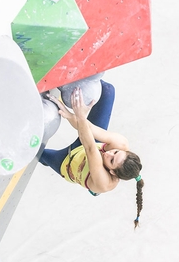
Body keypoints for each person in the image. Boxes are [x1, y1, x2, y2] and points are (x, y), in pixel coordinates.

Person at [40, 80, 144, 228]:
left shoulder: (104, 182)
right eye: (115, 152)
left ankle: (44, 160)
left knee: (39, 154)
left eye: (112, 160)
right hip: (89, 144)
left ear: (113, 172)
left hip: (67, 162)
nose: (109, 154)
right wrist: (69, 114)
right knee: (108, 91)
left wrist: (80, 115)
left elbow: (90, 148)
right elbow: (89, 130)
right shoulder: (121, 144)